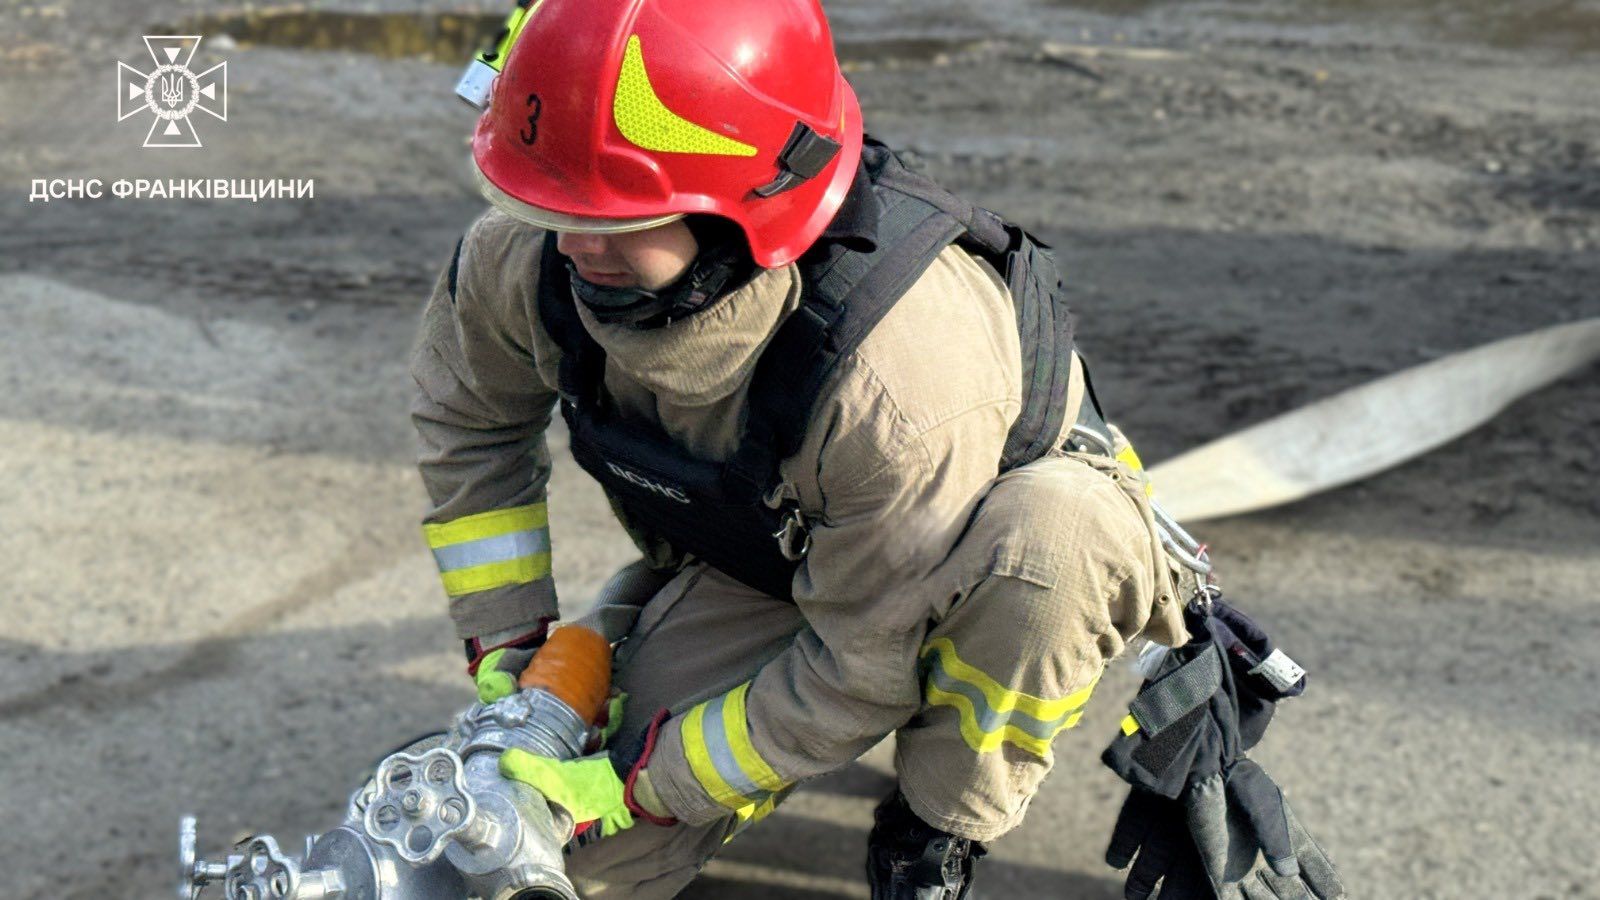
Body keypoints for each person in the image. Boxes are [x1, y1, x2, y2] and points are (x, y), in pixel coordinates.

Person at [410, 0, 1191, 896]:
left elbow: (861, 673)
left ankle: (933, 830)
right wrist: (509, 645)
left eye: (622, 218)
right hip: (775, 551)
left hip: (965, 554)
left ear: (747, 208)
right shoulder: (532, 256)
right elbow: (473, 430)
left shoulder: (895, 382)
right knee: (535, 870)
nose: (578, 244)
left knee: (1051, 554)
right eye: (553, 202)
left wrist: (641, 786)